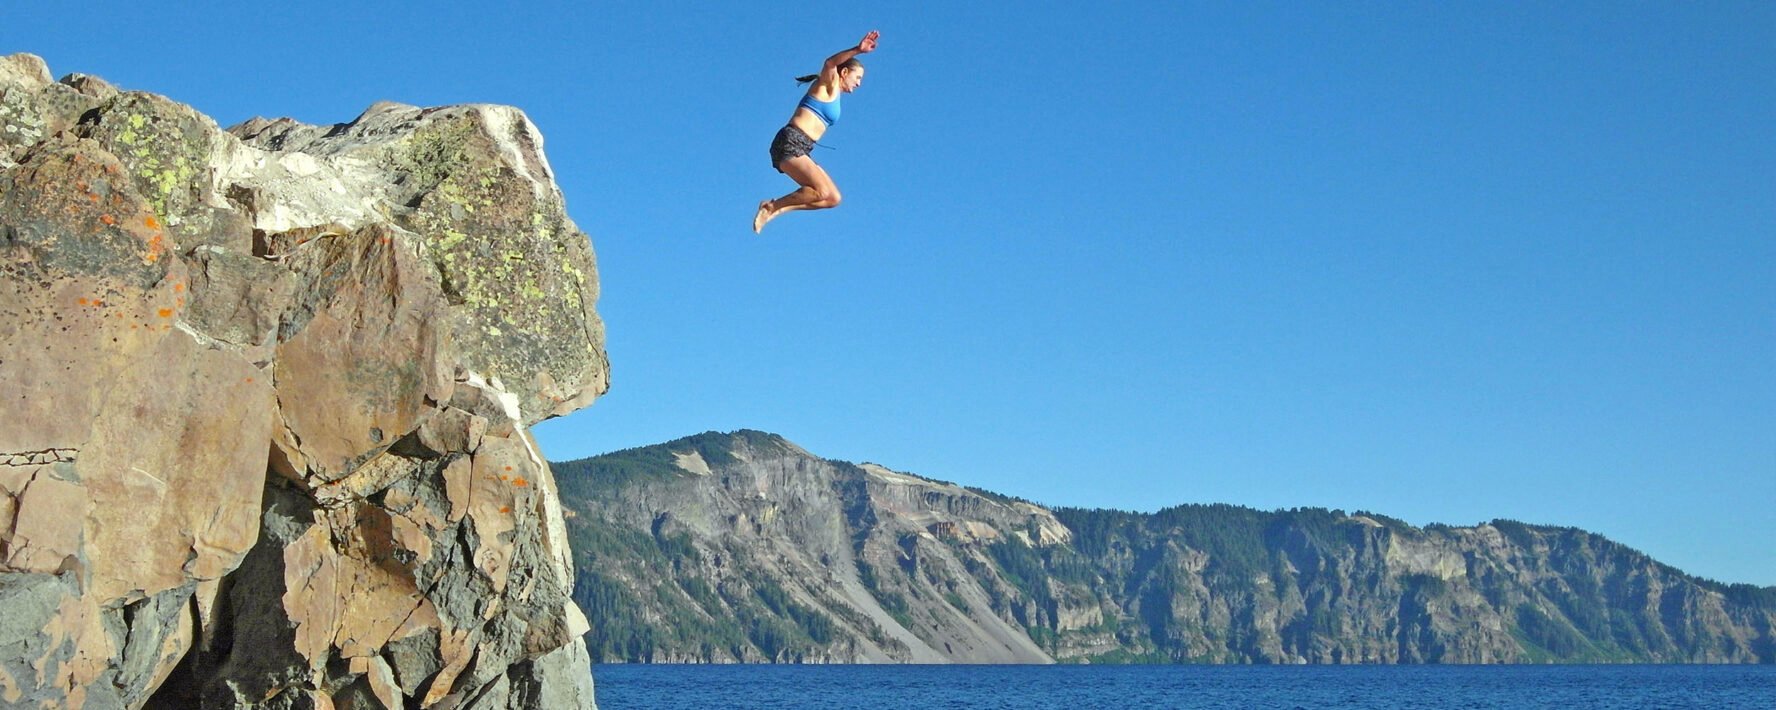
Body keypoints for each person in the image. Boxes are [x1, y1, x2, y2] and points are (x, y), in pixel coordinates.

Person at [753, 30, 879, 233]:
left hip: (803, 147)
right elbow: (830, 63)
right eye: (858, 77)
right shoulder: (827, 85)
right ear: (844, 72)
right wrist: (858, 50)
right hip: (790, 141)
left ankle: (774, 209)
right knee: (820, 191)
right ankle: (771, 207)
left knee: (833, 198)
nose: (859, 83)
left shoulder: (836, 94)